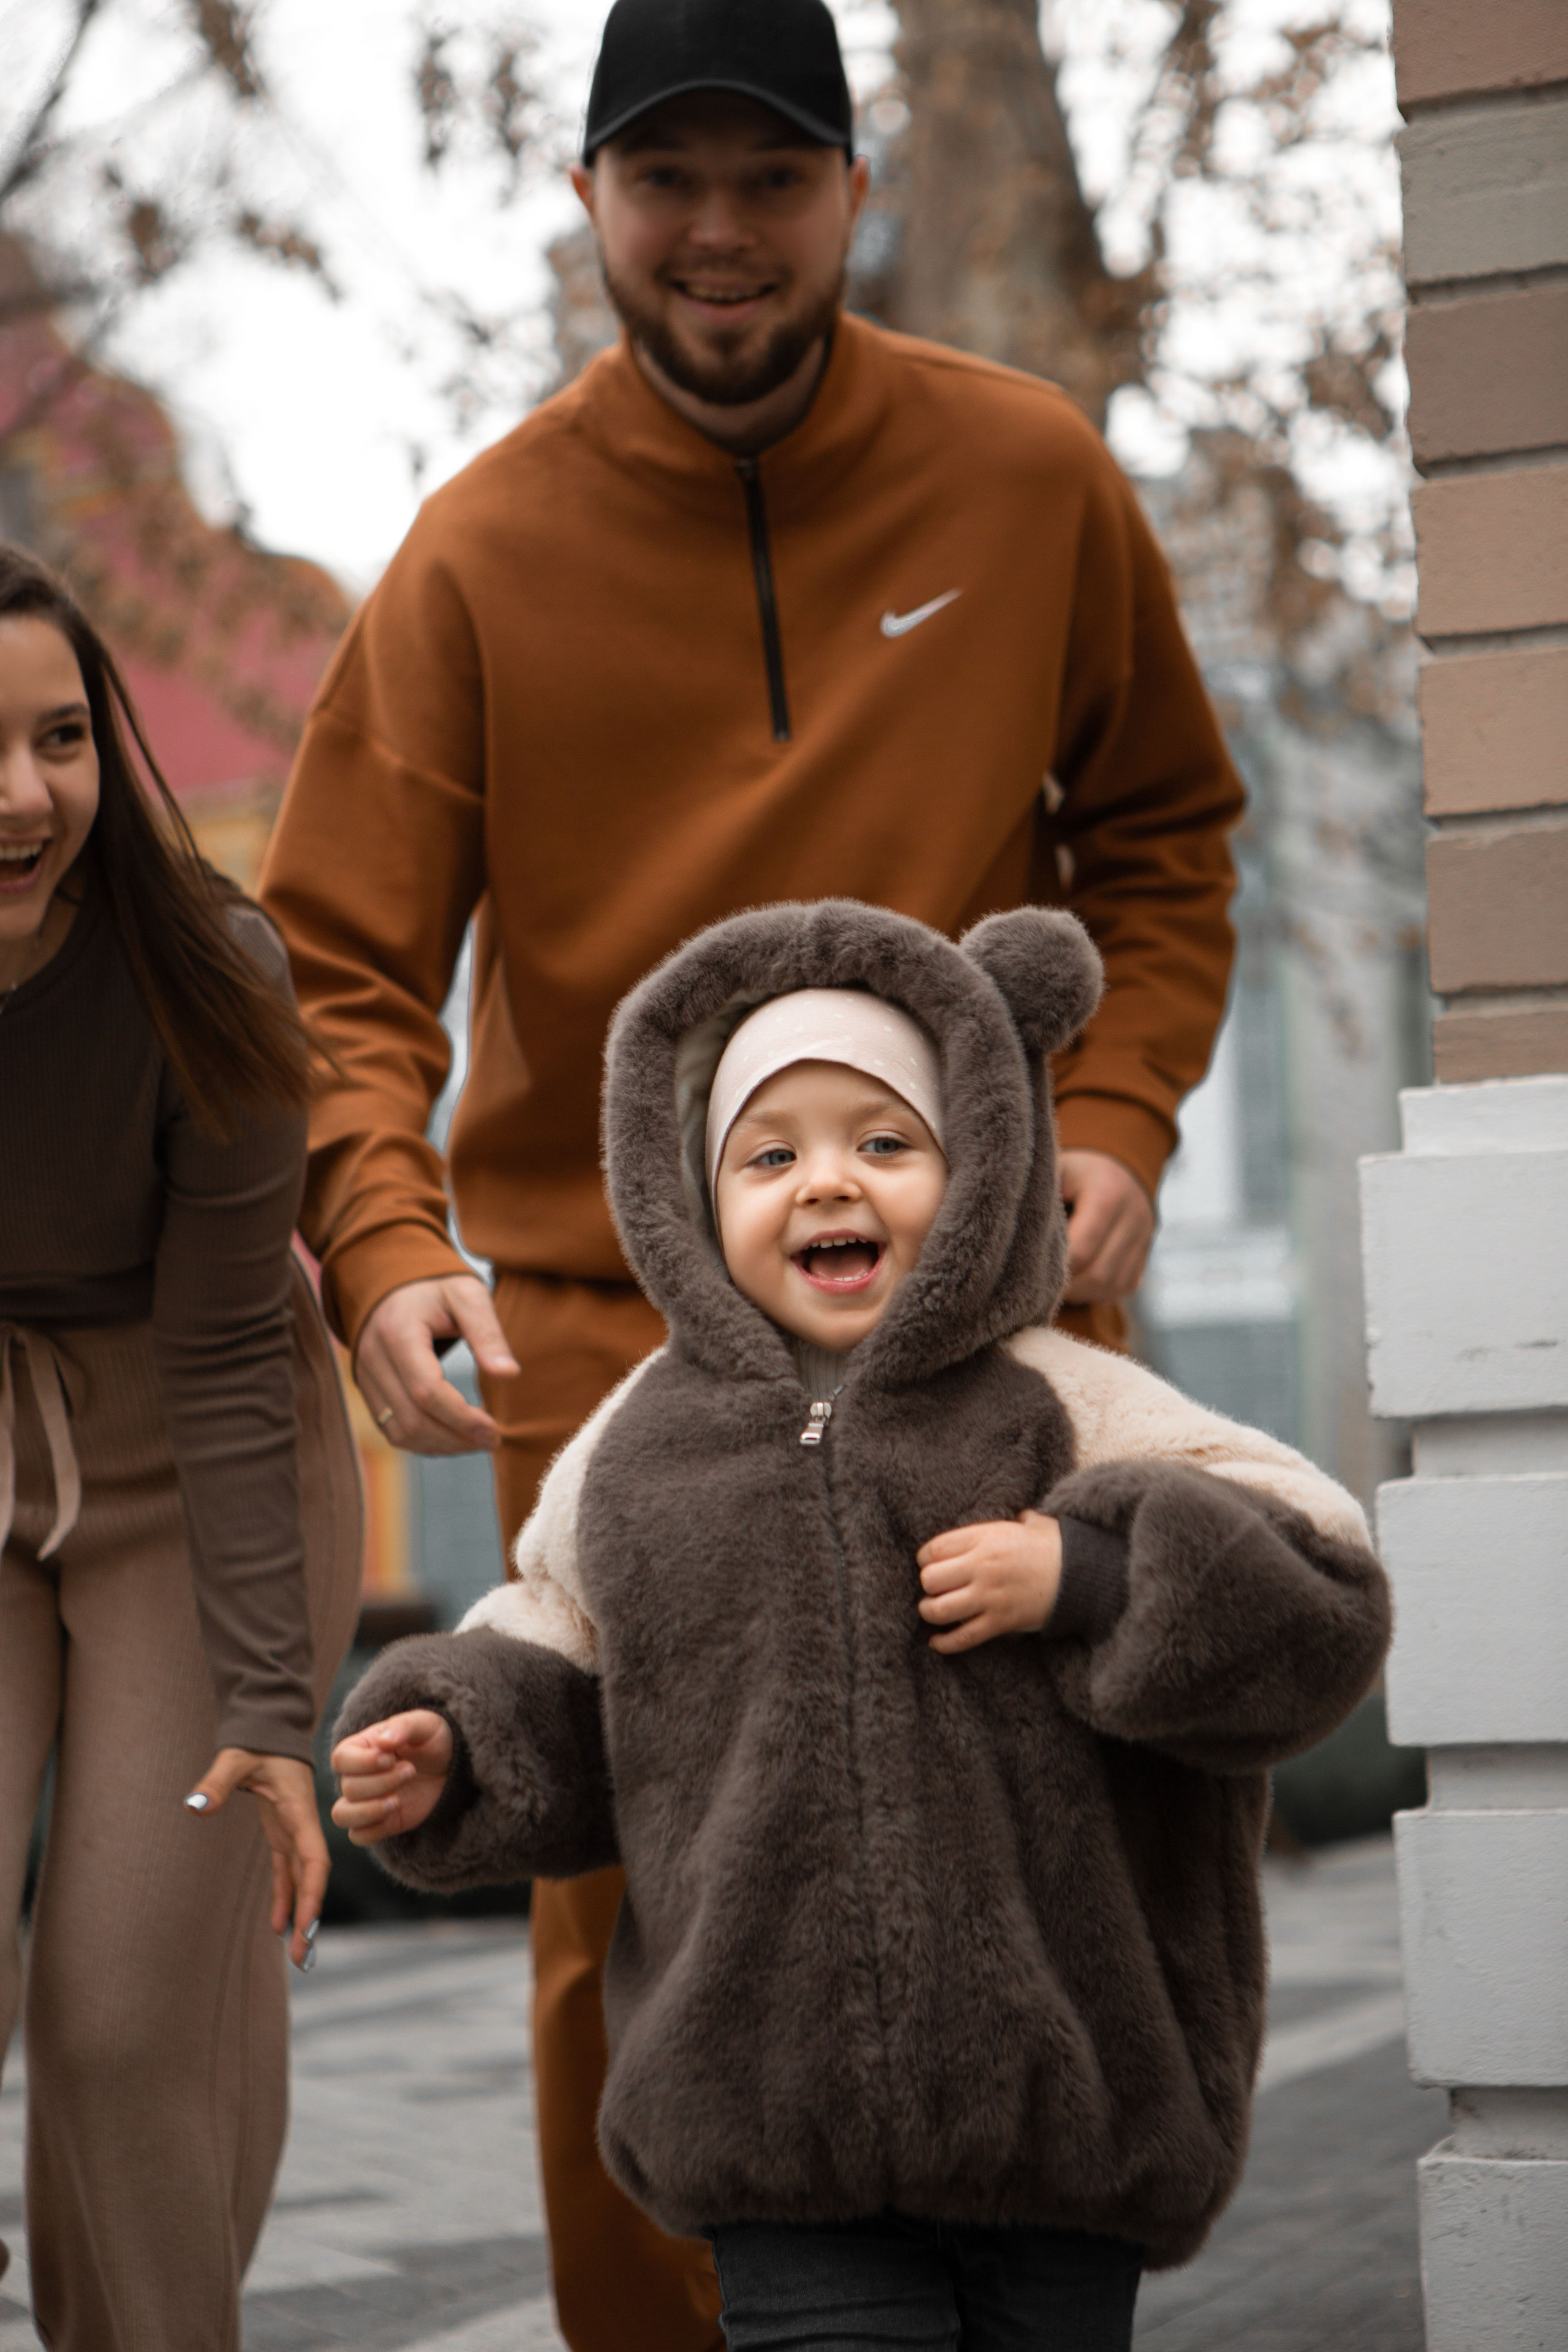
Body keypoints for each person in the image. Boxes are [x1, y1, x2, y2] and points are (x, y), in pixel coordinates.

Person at [258, 0, 1247, 2337]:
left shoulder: (1031, 482)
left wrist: (1110, 1119)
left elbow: (1172, 842)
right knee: (658, 1951)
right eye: (666, 175)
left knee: (1072, 1894)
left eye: (772, 176)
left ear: (850, 189)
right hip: (633, 1375)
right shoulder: (479, 550)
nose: (718, 232)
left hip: (997, 1350)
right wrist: (386, 1242)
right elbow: (335, 966)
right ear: (590, 195)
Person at [330, 899, 1390, 2352]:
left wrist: (1083, 1576)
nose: (828, 1183)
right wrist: (455, 1739)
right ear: (690, 1206)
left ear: (976, 1174)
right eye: (770, 1156)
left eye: (884, 1143)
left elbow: (1320, 1591)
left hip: (1060, 2102)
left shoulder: (1061, 1397)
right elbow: (563, 1658)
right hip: (771, 2108)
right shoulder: (639, 1453)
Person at [0, 544, 363, 2352]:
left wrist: (270, 1717)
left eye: (62, 737)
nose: (22, 796)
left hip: (196, 1458)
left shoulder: (206, 973)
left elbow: (230, 1354)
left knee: (124, 2017)